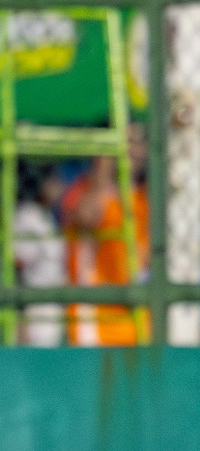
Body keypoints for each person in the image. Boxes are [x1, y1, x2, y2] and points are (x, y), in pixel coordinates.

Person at [62, 128, 150, 346]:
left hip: (137, 320)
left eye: (139, 144)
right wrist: (105, 164)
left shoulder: (143, 198)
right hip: (95, 320)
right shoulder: (87, 190)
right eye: (128, 143)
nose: (134, 151)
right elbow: (85, 215)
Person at [13, 166, 67, 347]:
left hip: (52, 311)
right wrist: (21, 320)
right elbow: (16, 269)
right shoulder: (27, 216)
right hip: (33, 313)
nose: (60, 186)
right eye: (54, 181)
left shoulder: (48, 216)